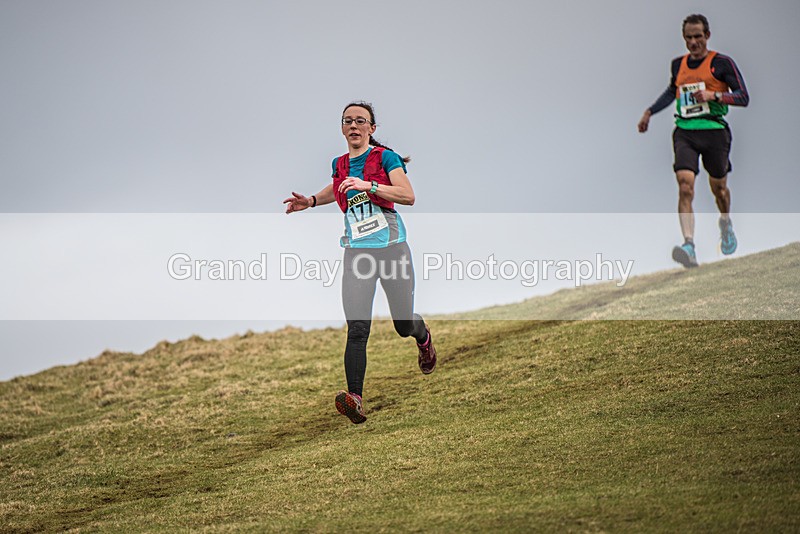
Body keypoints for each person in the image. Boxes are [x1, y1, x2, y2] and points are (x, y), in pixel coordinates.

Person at [283, 101, 436, 424]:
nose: (354, 126)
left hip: (392, 251)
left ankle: (422, 338)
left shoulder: (385, 158)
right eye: (348, 121)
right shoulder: (339, 163)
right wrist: (310, 201)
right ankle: (355, 398)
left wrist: (370, 185)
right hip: (357, 255)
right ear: (342, 128)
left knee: (402, 324)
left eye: (361, 121)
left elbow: (408, 196)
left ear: (372, 129)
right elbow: (336, 187)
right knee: (357, 329)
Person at [638, 14, 749, 268]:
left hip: (715, 132)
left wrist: (714, 95)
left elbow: (743, 96)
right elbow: (671, 90)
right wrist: (650, 112)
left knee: (718, 189)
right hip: (685, 131)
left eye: (698, 36)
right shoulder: (678, 65)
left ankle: (725, 222)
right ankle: (689, 245)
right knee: (685, 185)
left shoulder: (721, 63)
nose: (693, 42)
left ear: (707, 36)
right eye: (689, 37)